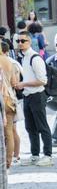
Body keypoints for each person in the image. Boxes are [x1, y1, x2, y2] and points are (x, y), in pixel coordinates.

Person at [13, 32, 52, 166]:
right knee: (30, 127)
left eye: (23, 41)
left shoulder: (35, 58)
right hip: (27, 96)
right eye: (18, 41)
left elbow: (42, 80)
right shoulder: (23, 58)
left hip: (37, 95)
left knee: (42, 126)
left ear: (29, 42)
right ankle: (35, 155)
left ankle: (48, 155)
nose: (20, 43)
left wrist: (23, 84)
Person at [0, 39, 19, 169]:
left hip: (1, 99)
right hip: (9, 100)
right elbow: (14, 83)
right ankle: (8, 162)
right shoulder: (10, 61)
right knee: (9, 132)